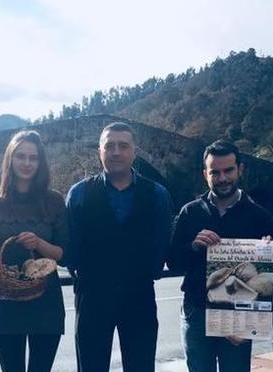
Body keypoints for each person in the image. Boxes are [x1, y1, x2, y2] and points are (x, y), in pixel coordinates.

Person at [66, 122, 172, 372]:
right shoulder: (79, 194)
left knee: (141, 365)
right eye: (109, 146)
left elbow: (161, 242)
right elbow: (70, 243)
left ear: (135, 151)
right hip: (92, 294)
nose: (116, 152)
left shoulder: (157, 194)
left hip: (139, 295)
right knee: (91, 366)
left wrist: (147, 272)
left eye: (123, 146)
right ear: (99, 152)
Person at [166, 140, 273, 372]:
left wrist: (268, 250)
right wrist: (193, 246)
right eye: (215, 172)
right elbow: (172, 262)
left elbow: (271, 276)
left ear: (240, 169)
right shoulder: (190, 212)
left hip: (238, 315)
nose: (222, 178)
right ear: (205, 174)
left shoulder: (260, 216)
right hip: (196, 311)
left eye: (228, 170)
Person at [0, 130, 69, 372]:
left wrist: (39, 244)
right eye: (21, 156)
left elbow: (67, 254)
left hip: (47, 305)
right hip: (6, 305)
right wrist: (1, 281)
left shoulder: (54, 201)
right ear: (10, 159)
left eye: (33, 158)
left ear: (41, 162)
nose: (27, 163)